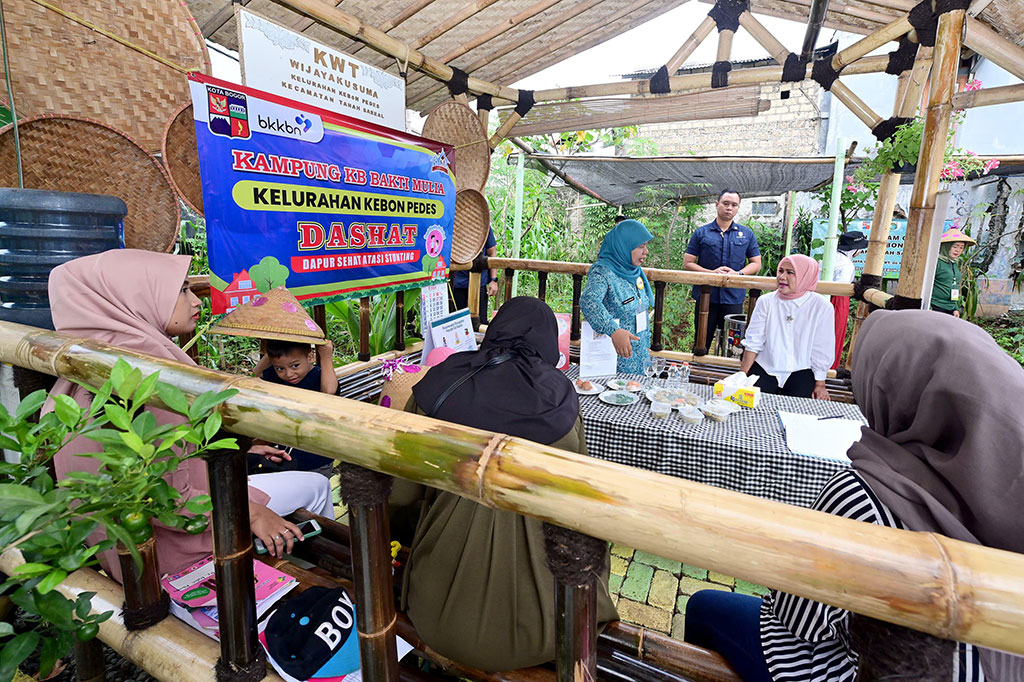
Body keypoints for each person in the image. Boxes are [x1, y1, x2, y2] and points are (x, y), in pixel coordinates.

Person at [686, 309, 1024, 681]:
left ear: (888, 388)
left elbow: (800, 620)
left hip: (850, 670)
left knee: (704, 605)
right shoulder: (1008, 491)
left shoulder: (862, 495)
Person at [45, 249, 334, 582]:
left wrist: (241, 449)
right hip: (175, 546)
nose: (195, 300)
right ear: (135, 300)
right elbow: (164, 500)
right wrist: (251, 512)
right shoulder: (149, 378)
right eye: (181, 290)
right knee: (316, 485)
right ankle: (311, 568)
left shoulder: (84, 368)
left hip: (120, 550)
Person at [394, 297, 618, 671]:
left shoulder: (441, 382)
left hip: (434, 610)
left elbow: (399, 495)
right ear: (549, 342)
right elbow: (577, 505)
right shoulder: (561, 399)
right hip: (546, 627)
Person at [739, 255, 833, 400]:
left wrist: (820, 384)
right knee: (752, 406)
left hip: (801, 369)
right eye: (780, 271)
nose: (782, 277)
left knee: (799, 411)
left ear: (805, 275)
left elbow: (821, 347)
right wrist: (742, 376)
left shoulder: (821, 306)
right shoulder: (766, 301)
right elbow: (753, 342)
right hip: (765, 366)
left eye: (790, 273)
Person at [684, 190, 762, 353]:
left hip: (734, 298)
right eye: (726, 203)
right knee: (701, 341)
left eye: (734, 205)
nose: (729, 208)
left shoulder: (746, 234)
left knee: (732, 346)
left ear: (738, 207)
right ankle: (699, 375)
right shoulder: (701, 233)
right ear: (717, 204)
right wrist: (711, 273)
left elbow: (756, 263)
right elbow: (688, 263)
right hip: (706, 297)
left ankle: (728, 377)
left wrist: (738, 274)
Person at [579, 218, 654, 375]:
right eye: (641, 246)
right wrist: (614, 331)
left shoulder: (634, 271)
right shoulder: (603, 272)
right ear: (624, 246)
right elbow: (589, 301)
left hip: (639, 357)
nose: (646, 251)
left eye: (646, 246)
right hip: (614, 360)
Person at [830, 230, 869, 369]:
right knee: (834, 334)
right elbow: (840, 287)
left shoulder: (828, 257)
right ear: (855, 250)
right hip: (837, 300)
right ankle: (829, 369)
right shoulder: (846, 265)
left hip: (824, 297)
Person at [450, 225, 498, 322]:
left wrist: (493, 280)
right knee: (458, 322)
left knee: (480, 320)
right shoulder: (453, 224)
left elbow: (492, 252)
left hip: (479, 282)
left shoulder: (483, 225)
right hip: (457, 282)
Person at [930, 225, 976, 318]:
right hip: (936, 307)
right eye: (955, 246)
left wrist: (955, 308)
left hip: (950, 308)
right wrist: (929, 307)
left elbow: (954, 286)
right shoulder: (936, 263)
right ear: (946, 246)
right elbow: (926, 286)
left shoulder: (954, 263)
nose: (958, 250)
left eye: (961, 247)